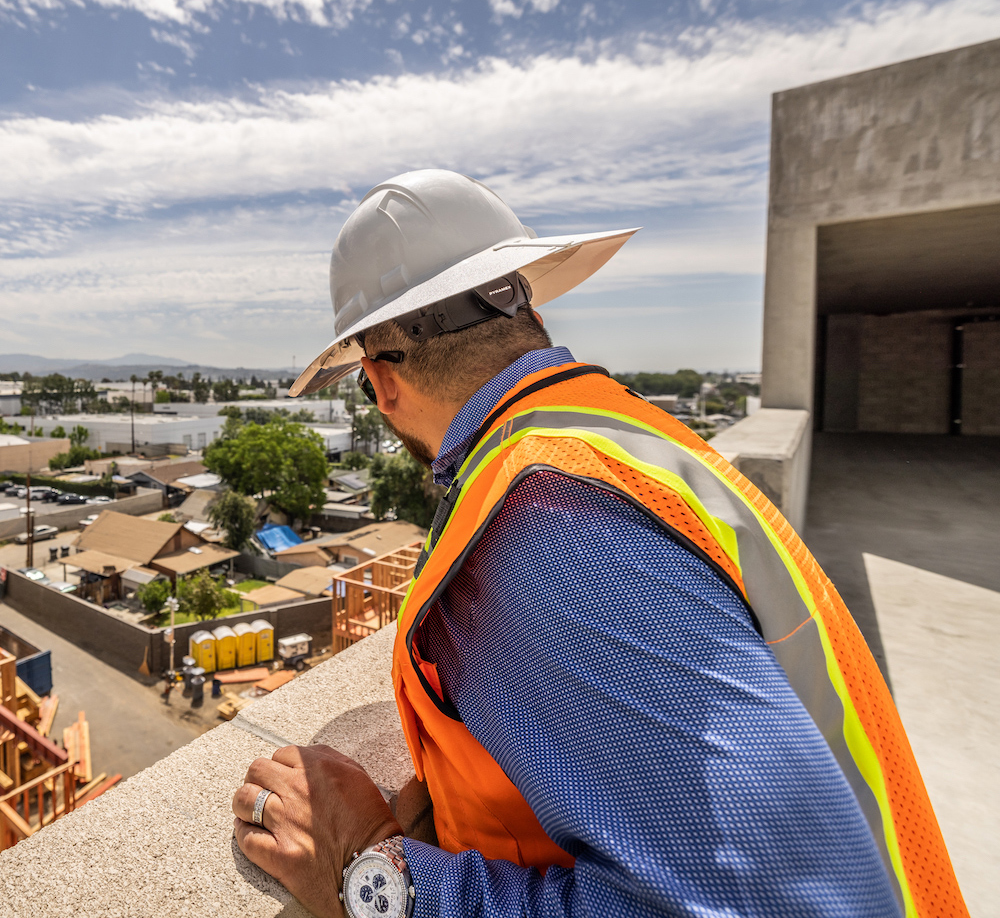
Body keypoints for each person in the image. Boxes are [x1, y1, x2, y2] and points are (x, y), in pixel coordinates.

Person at [232, 170, 967, 918]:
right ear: (527, 314)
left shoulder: (540, 525)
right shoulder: (614, 434)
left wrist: (368, 873)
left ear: (382, 384)